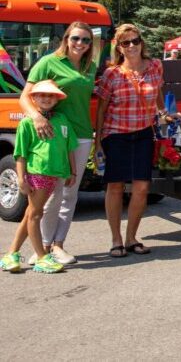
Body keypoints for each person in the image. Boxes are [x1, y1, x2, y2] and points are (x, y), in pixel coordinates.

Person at [18, 21, 97, 265]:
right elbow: (25, 96)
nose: (80, 44)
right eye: (75, 38)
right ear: (66, 39)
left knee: (70, 192)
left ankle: (58, 244)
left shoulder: (90, 66)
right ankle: (41, 247)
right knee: (52, 193)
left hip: (81, 134)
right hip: (53, 133)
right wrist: (38, 118)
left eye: (85, 40)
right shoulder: (48, 62)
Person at [94, 23, 172, 258]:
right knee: (115, 186)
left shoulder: (155, 66)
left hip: (144, 133)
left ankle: (131, 238)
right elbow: (101, 109)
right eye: (125, 43)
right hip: (116, 134)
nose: (131, 46)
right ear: (118, 47)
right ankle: (116, 239)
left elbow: (158, 91)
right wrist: (98, 141)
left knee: (142, 187)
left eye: (135, 41)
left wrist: (162, 113)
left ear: (141, 42)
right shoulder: (112, 73)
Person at [1, 81, 77, 274]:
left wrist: (72, 171)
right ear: (33, 98)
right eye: (41, 95)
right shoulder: (27, 122)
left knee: (30, 213)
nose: (46, 98)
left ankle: (12, 253)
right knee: (36, 214)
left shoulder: (62, 120)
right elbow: (21, 153)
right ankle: (42, 257)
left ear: (57, 99)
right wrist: (21, 179)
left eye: (50, 95)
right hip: (37, 174)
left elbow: (69, 148)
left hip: (55, 175)